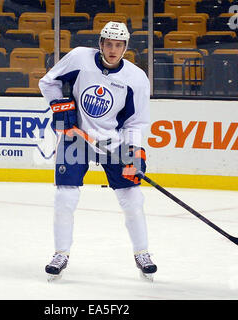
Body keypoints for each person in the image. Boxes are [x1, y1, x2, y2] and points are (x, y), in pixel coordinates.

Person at [38, 21, 157, 281]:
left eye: (119, 45)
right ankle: (61, 254)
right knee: (64, 198)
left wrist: (134, 152)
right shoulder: (80, 57)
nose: (113, 50)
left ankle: (142, 253)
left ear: (125, 47)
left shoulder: (136, 78)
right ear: (100, 43)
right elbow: (48, 83)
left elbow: (136, 121)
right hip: (76, 138)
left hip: (113, 142)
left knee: (133, 199)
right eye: (108, 44)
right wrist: (62, 109)